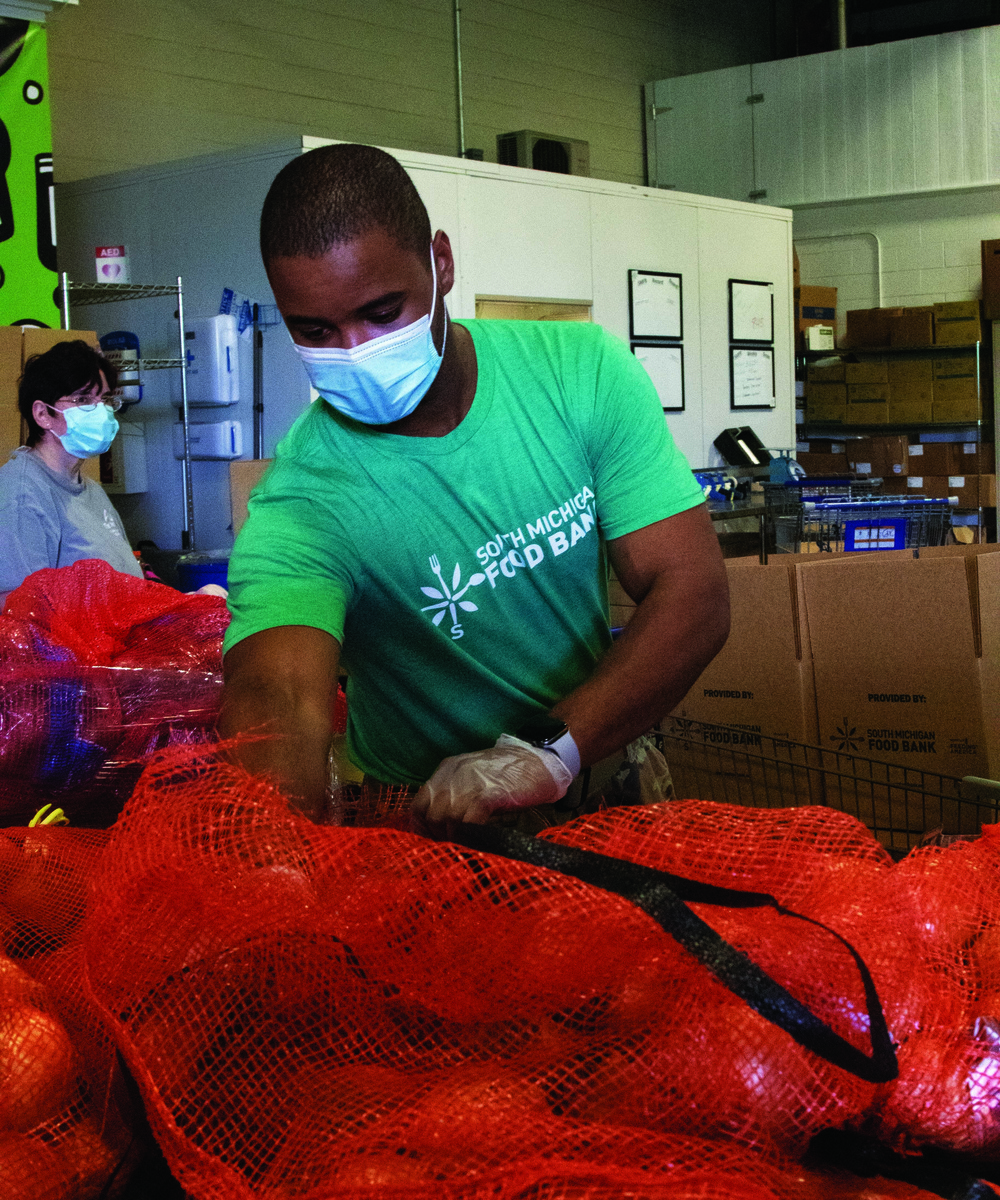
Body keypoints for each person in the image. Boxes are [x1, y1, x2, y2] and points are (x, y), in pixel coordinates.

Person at [219, 143, 730, 827]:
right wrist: (273, 837)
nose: (354, 352)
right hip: (425, 826)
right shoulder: (305, 500)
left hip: (596, 777)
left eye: (381, 312)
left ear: (441, 262)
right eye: (315, 330)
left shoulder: (580, 375)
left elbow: (693, 592)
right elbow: (276, 692)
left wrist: (547, 753)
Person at [0, 339, 143, 606]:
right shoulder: (21, 494)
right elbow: (18, 609)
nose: (100, 412)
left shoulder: (90, 490)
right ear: (43, 414)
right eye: (83, 400)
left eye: (106, 399)